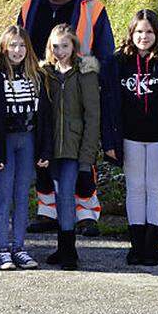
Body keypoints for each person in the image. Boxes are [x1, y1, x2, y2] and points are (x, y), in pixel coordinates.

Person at [18, 0, 116, 237]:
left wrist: (101, 90)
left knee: (81, 153)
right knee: (43, 151)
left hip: (78, 86)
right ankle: (47, 211)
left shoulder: (92, 8)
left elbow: (106, 53)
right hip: (40, 84)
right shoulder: (31, 4)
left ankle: (87, 213)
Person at [104, 9, 158, 267]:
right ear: (131, 33)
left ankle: (153, 245)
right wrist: (109, 142)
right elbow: (107, 104)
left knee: (154, 188)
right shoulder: (118, 61)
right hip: (129, 137)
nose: (144, 36)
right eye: (139, 31)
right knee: (134, 188)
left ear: (157, 33)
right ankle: (136, 244)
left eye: (149, 31)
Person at [35, 24, 101, 271]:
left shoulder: (85, 73)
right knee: (57, 194)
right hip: (51, 147)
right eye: (55, 46)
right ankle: (63, 247)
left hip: (75, 147)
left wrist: (87, 156)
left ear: (74, 46)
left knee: (66, 196)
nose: (60, 51)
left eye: (65, 45)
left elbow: (92, 117)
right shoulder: (45, 74)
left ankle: (69, 250)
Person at [0, 25, 45, 270]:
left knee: (21, 196)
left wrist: (44, 150)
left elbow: (44, 118)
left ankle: (20, 247)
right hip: (4, 143)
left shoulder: (36, 77)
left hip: (27, 141)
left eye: (21, 45)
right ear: (4, 47)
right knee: (4, 196)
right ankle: (3, 249)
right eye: (12, 45)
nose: (17, 50)